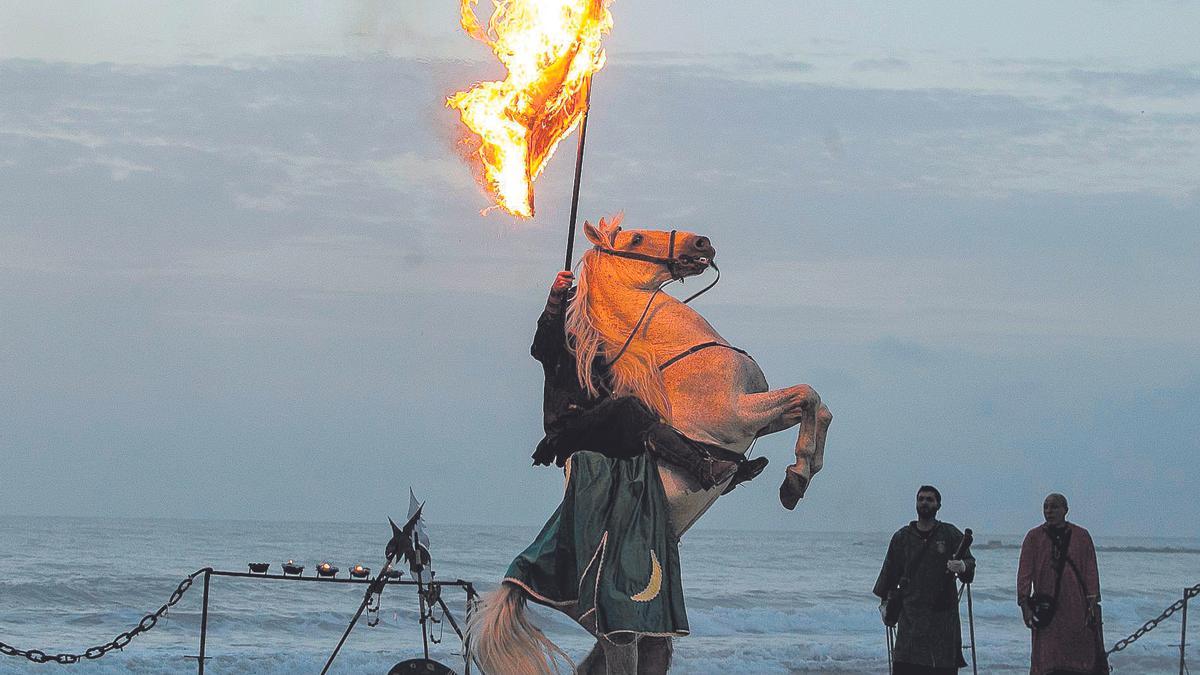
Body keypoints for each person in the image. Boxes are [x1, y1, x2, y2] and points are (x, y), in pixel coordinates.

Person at [529, 269, 766, 491]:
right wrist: (555, 299)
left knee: (655, 411)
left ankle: (723, 469)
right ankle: (702, 469)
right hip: (569, 432)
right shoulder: (557, 347)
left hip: (603, 428)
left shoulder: (603, 351)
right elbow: (541, 343)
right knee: (628, 408)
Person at [874, 485, 976, 674]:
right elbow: (889, 575)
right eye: (921, 499)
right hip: (910, 623)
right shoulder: (902, 537)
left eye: (929, 499)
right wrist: (886, 605)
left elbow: (970, 567)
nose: (924, 502)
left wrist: (962, 565)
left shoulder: (950, 534)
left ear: (938, 505)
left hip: (943, 622)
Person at [1017, 493, 1107, 675]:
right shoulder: (1034, 537)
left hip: (1076, 606)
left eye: (1054, 507)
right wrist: (1025, 605)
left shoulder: (1081, 536)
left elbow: (1090, 571)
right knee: (1046, 657)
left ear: (1065, 510)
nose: (1049, 511)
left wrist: (1092, 603)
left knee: (1079, 655)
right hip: (1046, 608)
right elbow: (1024, 574)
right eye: (1046, 507)